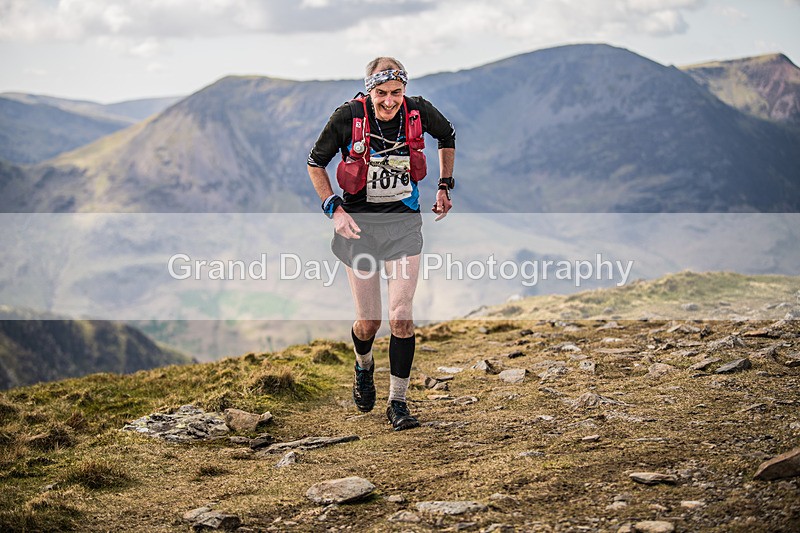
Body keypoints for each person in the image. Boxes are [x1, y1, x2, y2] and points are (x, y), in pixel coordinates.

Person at [307, 57, 456, 431]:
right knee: (369, 321)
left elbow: (448, 135)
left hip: (404, 226)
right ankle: (363, 366)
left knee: (402, 316)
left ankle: (398, 403)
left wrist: (443, 185)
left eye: (396, 92)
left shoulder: (418, 111)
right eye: (382, 93)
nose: (389, 101)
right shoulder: (347, 117)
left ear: (403, 89)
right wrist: (334, 210)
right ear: (369, 90)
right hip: (359, 228)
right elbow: (316, 162)